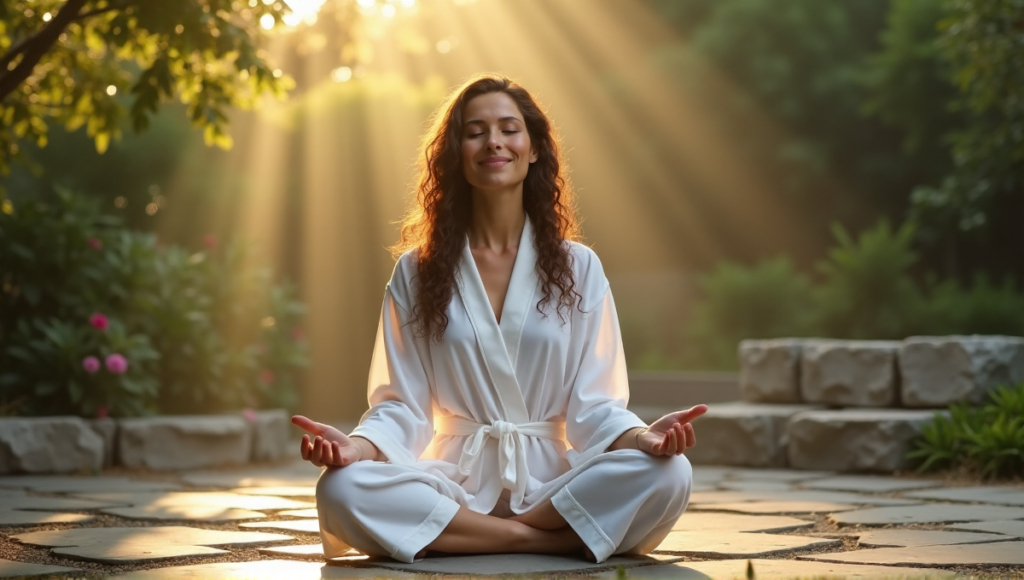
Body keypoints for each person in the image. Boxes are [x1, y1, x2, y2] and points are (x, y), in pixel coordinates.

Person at [291, 74, 708, 564]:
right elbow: (401, 409)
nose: (494, 141)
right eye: (475, 131)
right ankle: (547, 542)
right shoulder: (417, 271)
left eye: (509, 129)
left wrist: (646, 438)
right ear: (456, 153)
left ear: (533, 149)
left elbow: (595, 408)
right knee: (341, 489)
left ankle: (472, 538)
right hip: (455, 486)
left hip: (552, 487)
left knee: (670, 472)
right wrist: (355, 451)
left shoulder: (579, 267)